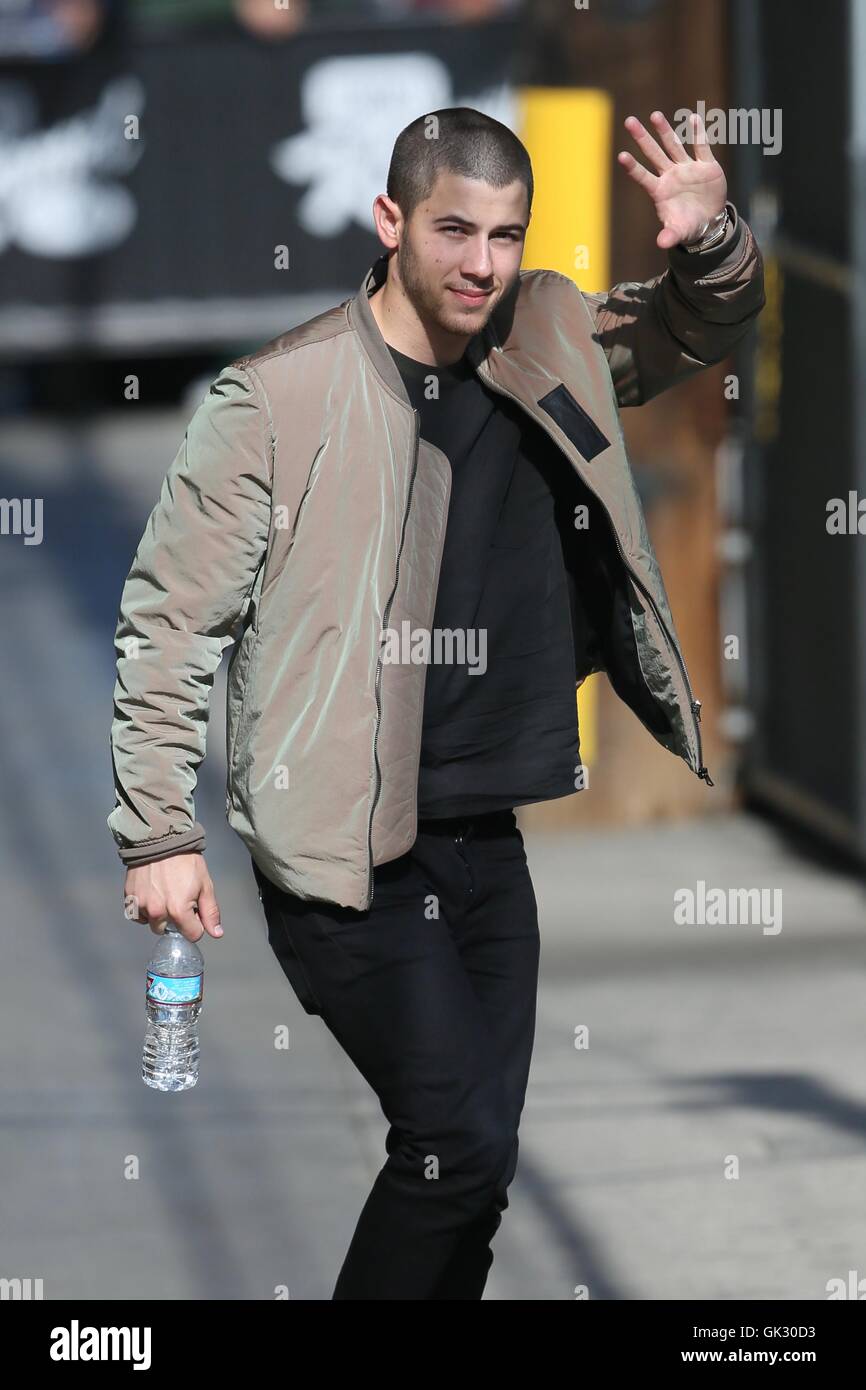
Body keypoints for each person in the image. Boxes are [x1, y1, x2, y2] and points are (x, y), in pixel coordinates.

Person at [109, 106, 765, 1299]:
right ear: (390, 223)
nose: (480, 263)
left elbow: (690, 327)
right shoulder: (274, 401)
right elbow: (167, 625)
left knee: (469, 1166)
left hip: (483, 837)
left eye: (504, 236)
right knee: (457, 1145)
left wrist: (709, 237)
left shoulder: (548, 329)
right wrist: (158, 829)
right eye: (454, 230)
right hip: (346, 856)